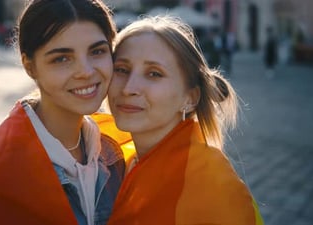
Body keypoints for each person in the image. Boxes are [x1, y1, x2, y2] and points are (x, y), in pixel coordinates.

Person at [0, 0, 127, 224]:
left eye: (97, 51)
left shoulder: (115, 152)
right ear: (29, 66)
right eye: (62, 58)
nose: (86, 71)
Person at [106, 16, 264, 224]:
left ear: (190, 98)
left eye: (154, 74)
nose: (128, 88)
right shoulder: (112, 158)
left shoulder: (210, 186)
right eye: (122, 70)